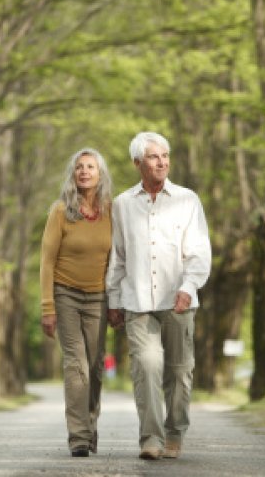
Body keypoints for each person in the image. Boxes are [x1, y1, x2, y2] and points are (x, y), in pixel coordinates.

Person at [106, 131, 211, 460]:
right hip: (137, 301)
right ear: (137, 163)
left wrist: (189, 286)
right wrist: (113, 301)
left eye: (165, 156)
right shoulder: (123, 204)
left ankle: (175, 431)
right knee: (146, 366)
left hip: (179, 299)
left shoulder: (187, 199)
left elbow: (199, 251)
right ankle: (151, 438)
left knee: (180, 370)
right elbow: (118, 256)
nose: (162, 162)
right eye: (153, 157)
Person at [40, 148, 113, 458]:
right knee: (76, 364)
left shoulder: (112, 211)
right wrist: (47, 307)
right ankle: (78, 437)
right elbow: (46, 260)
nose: (84, 171)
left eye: (91, 167)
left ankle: (90, 423)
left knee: (95, 368)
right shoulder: (60, 211)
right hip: (65, 294)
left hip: (100, 297)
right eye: (79, 167)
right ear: (73, 174)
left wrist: (120, 300)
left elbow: (118, 258)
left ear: (100, 174)